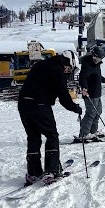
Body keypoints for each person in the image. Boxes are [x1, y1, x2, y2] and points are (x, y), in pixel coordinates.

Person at [18, 52, 82, 186]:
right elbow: (64, 97)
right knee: (51, 135)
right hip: (39, 104)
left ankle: (33, 172)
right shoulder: (58, 71)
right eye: (69, 68)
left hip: (23, 104)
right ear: (67, 63)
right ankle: (52, 171)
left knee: (33, 136)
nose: (68, 71)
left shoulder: (40, 64)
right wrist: (75, 108)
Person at [74, 46, 105, 143]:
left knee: (98, 112)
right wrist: (84, 88)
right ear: (94, 56)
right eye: (100, 57)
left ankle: (93, 132)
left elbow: (96, 75)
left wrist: (104, 79)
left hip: (97, 93)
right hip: (90, 93)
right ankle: (84, 134)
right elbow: (82, 77)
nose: (101, 59)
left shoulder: (96, 64)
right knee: (91, 113)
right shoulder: (87, 64)